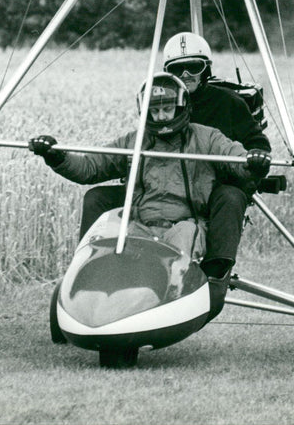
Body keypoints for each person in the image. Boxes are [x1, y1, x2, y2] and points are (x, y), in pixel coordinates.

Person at [30, 73, 271, 320]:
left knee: (173, 269)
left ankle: (182, 303)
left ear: (181, 108)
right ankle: (89, 288)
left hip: (185, 224)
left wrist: (253, 163)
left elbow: (236, 159)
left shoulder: (206, 137)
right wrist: (55, 156)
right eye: (155, 111)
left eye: (167, 109)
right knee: (114, 258)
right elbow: (90, 167)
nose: (162, 117)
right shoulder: (135, 141)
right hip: (140, 224)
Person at [78, 33, 271, 313]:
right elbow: (97, 163)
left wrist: (252, 163)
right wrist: (56, 157)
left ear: (206, 68)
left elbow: (256, 147)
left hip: (208, 189)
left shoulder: (226, 106)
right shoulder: (158, 106)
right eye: (177, 69)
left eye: (194, 67)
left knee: (229, 196)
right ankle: (91, 268)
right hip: (156, 187)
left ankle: (215, 273)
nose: (186, 74)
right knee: (97, 197)